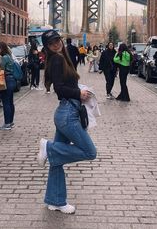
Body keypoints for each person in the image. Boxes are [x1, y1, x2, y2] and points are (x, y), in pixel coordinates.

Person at [37, 29, 97, 214]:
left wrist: (79, 90)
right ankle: (48, 147)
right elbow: (60, 89)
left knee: (56, 162)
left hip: (66, 112)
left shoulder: (61, 58)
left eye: (58, 40)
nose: (57, 44)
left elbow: (65, 84)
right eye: (52, 43)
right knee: (90, 152)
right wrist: (78, 93)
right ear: (47, 47)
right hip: (68, 114)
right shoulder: (56, 59)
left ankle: (55, 201)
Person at [0, 42, 16, 130]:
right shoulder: (10, 56)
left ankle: (7, 124)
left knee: (6, 102)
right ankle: (10, 122)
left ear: (1, 49)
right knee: (10, 102)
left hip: (6, 80)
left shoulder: (4, 58)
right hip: (12, 80)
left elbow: (1, 69)